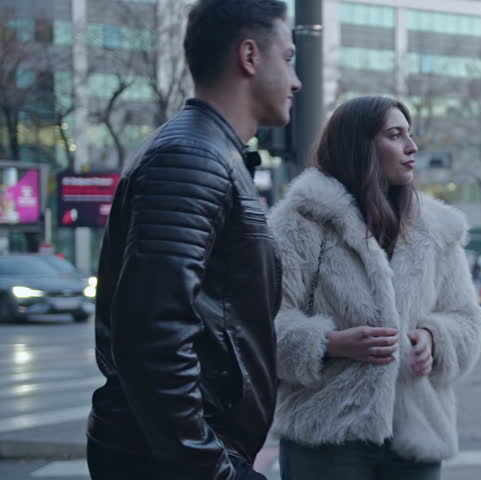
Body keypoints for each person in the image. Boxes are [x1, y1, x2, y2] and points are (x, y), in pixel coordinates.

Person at [87, 1, 300, 478]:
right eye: (287, 59)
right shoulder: (192, 157)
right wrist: (212, 467)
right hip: (172, 461)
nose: (296, 80)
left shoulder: (208, 152)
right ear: (249, 56)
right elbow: (153, 336)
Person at [268, 96, 481, 479]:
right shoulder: (300, 222)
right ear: (361, 146)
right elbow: (262, 326)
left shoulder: (437, 229)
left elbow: (466, 319)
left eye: (410, 134)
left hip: (414, 434)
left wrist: (434, 340)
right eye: (395, 135)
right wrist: (330, 344)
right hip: (327, 435)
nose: (412, 146)